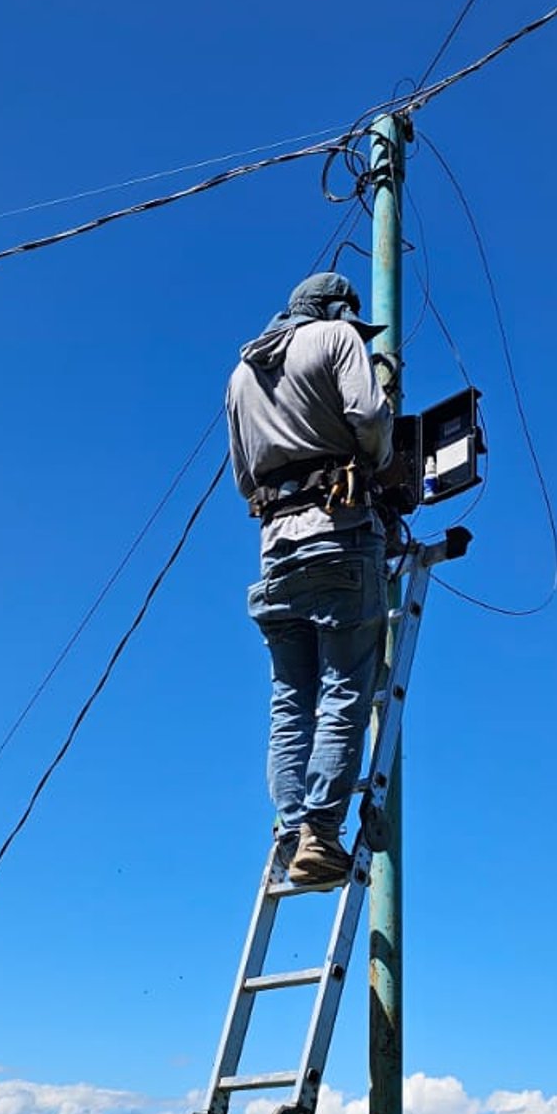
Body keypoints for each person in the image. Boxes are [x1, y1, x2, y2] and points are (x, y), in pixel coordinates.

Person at [226, 270, 397, 890]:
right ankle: (320, 838)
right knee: (345, 689)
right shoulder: (335, 339)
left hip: (274, 549)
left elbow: (246, 477)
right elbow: (371, 421)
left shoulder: (242, 373)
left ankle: (291, 827)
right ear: (336, 308)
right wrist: (372, 454)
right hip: (339, 532)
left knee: (290, 702)